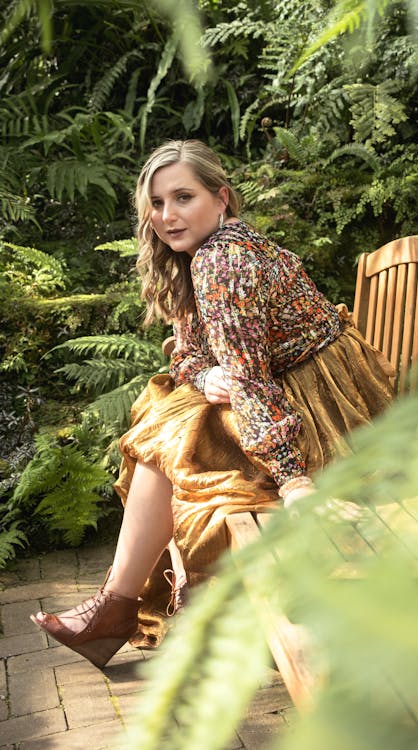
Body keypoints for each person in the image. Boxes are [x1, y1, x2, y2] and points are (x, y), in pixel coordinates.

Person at [30, 139, 394, 668]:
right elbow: (190, 355)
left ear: (221, 198)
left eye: (183, 197)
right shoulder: (202, 252)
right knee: (170, 419)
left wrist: (293, 481)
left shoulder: (223, 262)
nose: (167, 215)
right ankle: (122, 605)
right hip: (300, 387)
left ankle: (121, 606)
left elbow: (250, 380)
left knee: (171, 436)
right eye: (156, 203)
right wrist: (204, 371)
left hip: (329, 410)